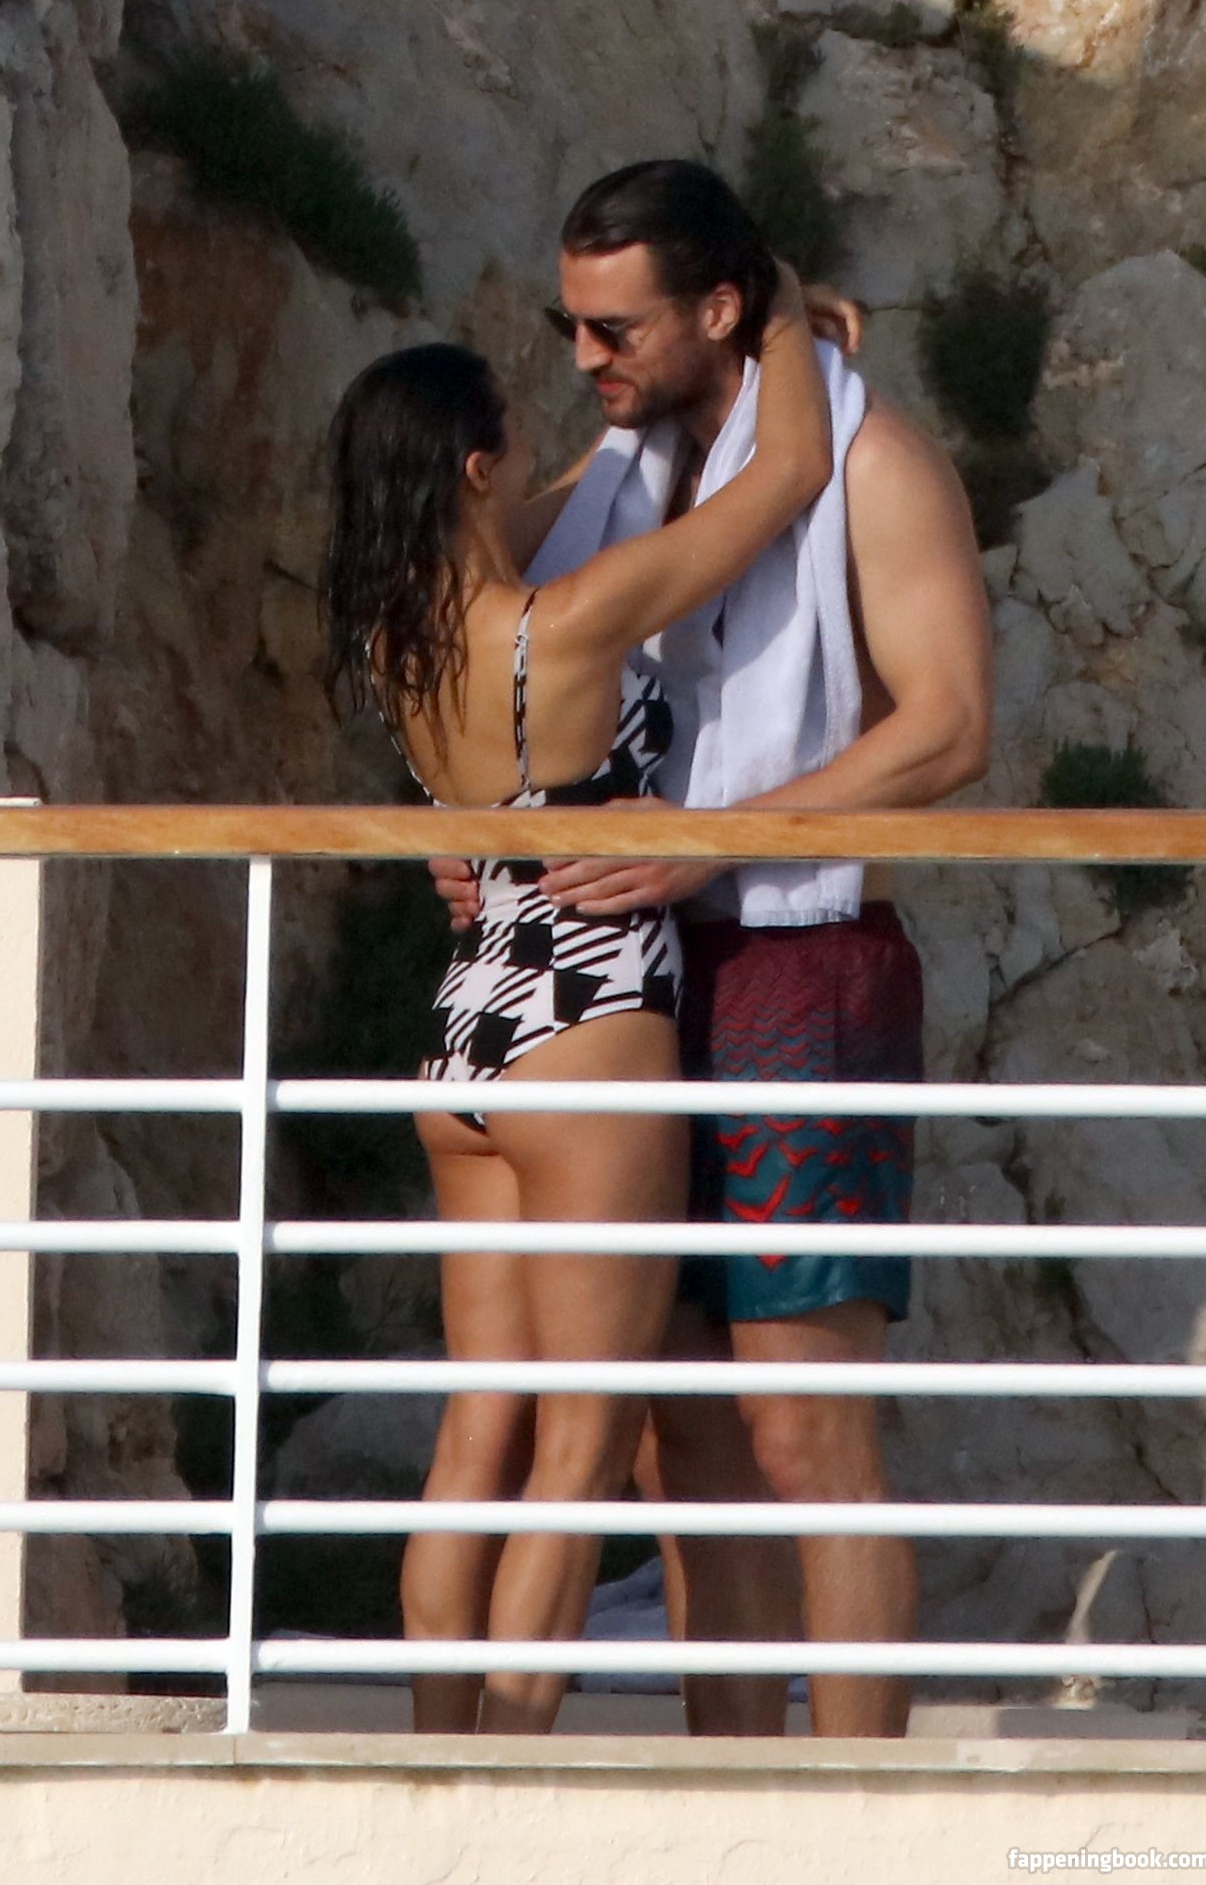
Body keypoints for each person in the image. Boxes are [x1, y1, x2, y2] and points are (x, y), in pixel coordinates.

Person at [432, 158, 993, 1738]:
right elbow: (491, 660)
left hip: (800, 967)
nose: (584, 358)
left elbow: (948, 728)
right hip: (624, 983)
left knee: (802, 1424)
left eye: (614, 329)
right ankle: (729, 1788)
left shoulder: (877, 462)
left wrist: (716, 838)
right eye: (570, 325)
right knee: (676, 1436)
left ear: (721, 308)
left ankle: (856, 1816)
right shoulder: (620, 471)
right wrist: (467, 828)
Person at [323, 254, 836, 1734]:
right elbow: (788, 477)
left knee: (478, 1435)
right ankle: (511, 1769)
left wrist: (630, 423)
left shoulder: (397, 641)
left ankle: (438, 1757)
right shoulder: (571, 623)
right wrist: (778, 314)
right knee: (583, 1442)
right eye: (510, 434)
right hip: (590, 1025)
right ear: (475, 467)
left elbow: (548, 499)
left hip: (466, 1034)